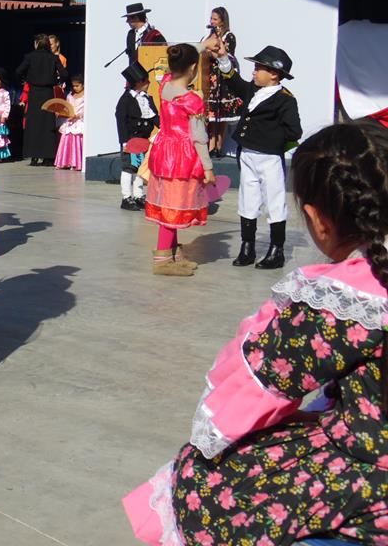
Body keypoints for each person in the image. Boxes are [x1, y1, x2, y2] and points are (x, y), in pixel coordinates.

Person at [124, 121, 388, 546]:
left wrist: (211, 436)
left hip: (373, 474)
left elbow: (259, 378)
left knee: (201, 482)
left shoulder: (344, 299)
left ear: (317, 220)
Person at [212, 37, 302, 270]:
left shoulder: (285, 100)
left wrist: (270, 141)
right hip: (247, 155)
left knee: (274, 202)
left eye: (258, 68)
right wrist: (223, 57)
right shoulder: (254, 89)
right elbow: (235, 83)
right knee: (247, 200)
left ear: (274, 74)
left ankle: (276, 250)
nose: (254, 71)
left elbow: (294, 131)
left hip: (269, 158)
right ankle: (247, 247)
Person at [143, 44, 214, 275]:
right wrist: (208, 167)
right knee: (173, 207)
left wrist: (203, 45)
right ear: (193, 67)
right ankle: (162, 260)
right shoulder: (192, 100)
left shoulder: (164, 84)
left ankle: (172, 253)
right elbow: (199, 138)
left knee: (169, 204)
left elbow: (180, 54)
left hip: (164, 151)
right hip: (182, 158)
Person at [15, 33, 67, 166]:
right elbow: (64, 74)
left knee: (33, 124)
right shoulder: (53, 58)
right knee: (47, 125)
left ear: (37, 44)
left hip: (34, 94)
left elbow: (18, 71)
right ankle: (48, 157)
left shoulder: (30, 57)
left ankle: (34, 156)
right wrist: (57, 81)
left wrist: (26, 79)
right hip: (48, 93)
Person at [115, 63, 159, 209]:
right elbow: (121, 121)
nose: (149, 83)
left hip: (144, 140)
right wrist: (124, 142)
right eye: (146, 81)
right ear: (138, 82)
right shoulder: (126, 99)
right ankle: (126, 197)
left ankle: (139, 195)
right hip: (131, 140)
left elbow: (154, 117)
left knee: (141, 168)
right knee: (129, 168)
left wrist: (165, 127)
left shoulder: (148, 99)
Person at [204, 6, 241, 156]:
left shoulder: (229, 36)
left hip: (223, 78)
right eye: (211, 18)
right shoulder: (208, 36)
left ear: (222, 21)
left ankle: (219, 145)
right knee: (211, 114)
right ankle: (211, 145)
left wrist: (210, 50)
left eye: (215, 19)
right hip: (210, 77)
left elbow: (225, 55)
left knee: (222, 114)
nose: (212, 21)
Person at [56, 74, 85, 171]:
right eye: (74, 86)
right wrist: (62, 112)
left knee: (77, 139)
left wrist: (77, 116)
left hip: (79, 120)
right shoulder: (70, 95)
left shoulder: (86, 96)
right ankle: (65, 161)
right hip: (69, 121)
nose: (75, 88)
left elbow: (86, 109)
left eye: (77, 85)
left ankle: (76, 162)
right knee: (66, 139)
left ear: (83, 84)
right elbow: (67, 107)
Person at [123, 2, 166, 67]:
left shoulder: (155, 34)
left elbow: (163, 57)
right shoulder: (130, 35)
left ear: (136, 18)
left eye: (128, 18)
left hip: (151, 71)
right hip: (135, 72)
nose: (127, 21)